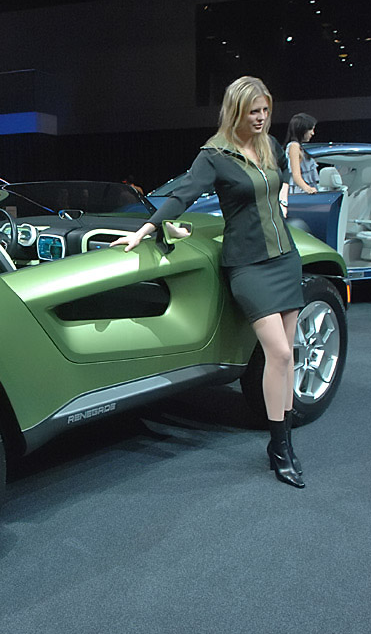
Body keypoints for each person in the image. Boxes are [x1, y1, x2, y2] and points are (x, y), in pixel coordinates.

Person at [111, 76, 305, 488]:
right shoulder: (214, 154)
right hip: (248, 265)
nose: (262, 118)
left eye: (266, 110)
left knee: (287, 357)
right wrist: (145, 230)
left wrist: (282, 201)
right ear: (235, 111)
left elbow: (280, 181)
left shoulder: (269, 146)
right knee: (280, 354)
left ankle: (282, 443)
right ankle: (279, 444)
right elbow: (182, 194)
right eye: (254, 111)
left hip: (286, 259)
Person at [285, 113, 319, 194]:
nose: (312, 133)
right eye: (311, 129)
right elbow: (295, 174)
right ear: (302, 130)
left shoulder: (302, 147)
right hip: (301, 191)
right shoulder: (294, 146)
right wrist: (307, 189)